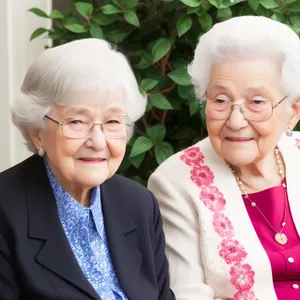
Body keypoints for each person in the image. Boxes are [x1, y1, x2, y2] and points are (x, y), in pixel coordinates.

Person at [0, 38, 174, 300]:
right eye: (77, 121)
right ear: (37, 133)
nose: (98, 141)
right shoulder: (5, 210)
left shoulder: (139, 204)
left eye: (113, 121)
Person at [148, 16, 300, 300]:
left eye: (256, 102)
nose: (235, 120)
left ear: (293, 111)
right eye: (220, 100)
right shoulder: (174, 182)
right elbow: (186, 295)